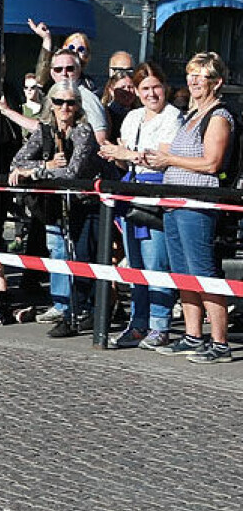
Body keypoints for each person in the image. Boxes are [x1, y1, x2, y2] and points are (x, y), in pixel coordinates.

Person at [143, 51, 235, 364]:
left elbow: (211, 162)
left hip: (198, 203)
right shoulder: (189, 116)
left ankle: (220, 342)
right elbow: (173, 154)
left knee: (202, 271)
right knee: (182, 272)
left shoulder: (219, 116)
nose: (193, 81)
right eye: (190, 74)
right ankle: (193, 335)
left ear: (217, 82)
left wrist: (169, 160)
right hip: (174, 203)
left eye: (201, 76)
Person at [99, 62, 181, 350]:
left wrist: (127, 154)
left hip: (156, 194)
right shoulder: (132, 117)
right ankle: (138, 322)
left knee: (156, 261)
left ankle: (160, 324)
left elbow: (163, 156)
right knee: (135, 263)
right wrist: (115, 155)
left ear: (164, 87)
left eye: (156, 87)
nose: (151, 93)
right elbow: (128, 157)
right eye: (145, 88)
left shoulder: (173, 117)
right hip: (131, 192)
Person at [9, 80, 98, 337]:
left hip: (85, 203)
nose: (65, 108)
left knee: (82, 258)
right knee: (60, 255)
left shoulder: (83, 131)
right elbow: (17, 161)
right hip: (56, 206)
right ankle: (71, 309)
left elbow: (72, 172)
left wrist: (33, 171)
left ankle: (81, 312)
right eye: (59, 102)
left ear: (78, 106)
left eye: (71, 102)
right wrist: (45, 167)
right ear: (51, 103)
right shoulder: (45, 130)